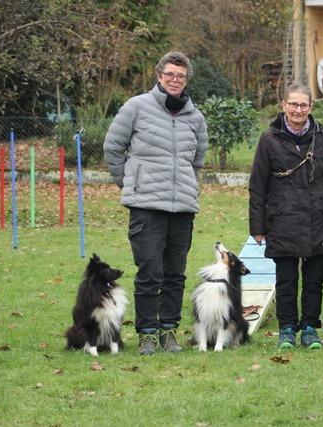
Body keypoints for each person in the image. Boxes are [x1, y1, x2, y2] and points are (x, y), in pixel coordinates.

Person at [104, 51, 208, 355]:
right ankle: (147, 333)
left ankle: (169, 332)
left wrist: (191, 188)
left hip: (183, 209)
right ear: (158, 75)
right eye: (170, 75)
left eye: (181, 76)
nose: (175, 80)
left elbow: (198, 161)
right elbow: (113, 148)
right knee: (150, 272)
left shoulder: (195, 117)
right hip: (146, 207)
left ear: (187, 79)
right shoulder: (136, 107)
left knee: (175, 273)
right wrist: (131, 183)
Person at [248, 83, 323, 349]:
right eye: (293, 104)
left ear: (310, 107)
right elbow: (258, 185)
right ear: (284, 105)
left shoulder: (322, 136)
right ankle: (287, 329)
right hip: (282, 219)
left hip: (319, 218)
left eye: (303, 105)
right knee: (286, 280)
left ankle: (309, 329)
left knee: (314, 280)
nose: (298, 110)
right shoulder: (269, 138)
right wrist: (257, 226)